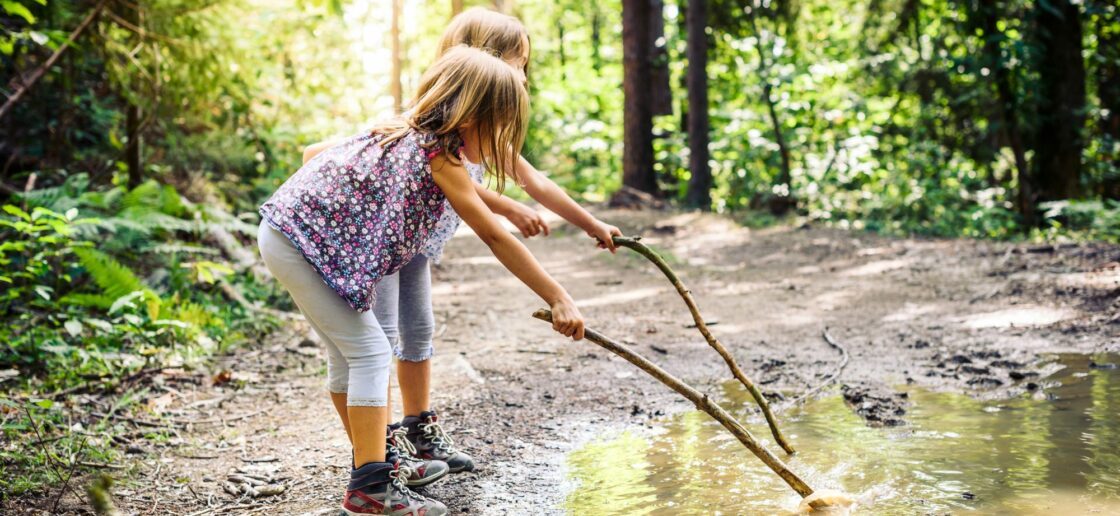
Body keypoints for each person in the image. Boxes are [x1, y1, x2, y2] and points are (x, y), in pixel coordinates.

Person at [300, 6, 622, 484]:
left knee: (419, 329)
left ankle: (419, 426)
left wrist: (590, 222)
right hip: (382, 241)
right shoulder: (422, 125)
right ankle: (382, 446)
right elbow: (319, 154)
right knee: (381, 339)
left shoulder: (484, 129)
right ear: (482, 61)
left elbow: (533, 182)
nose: (523, 77)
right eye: (518, 63)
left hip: (417, 245)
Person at [257, 46, 585, 515]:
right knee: (370, 351)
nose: (497, 143)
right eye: (497, 128)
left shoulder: (415, 135)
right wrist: (558, 296)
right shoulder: (439, 156)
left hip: (289, 238)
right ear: (472, 116)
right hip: (300, 243)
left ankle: (377, 465)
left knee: (348, 357)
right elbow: (494, 236)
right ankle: (370, 487)